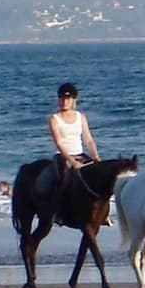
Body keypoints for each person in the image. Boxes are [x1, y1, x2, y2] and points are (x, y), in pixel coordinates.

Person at [49, 82, 101, 223]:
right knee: (64, 179)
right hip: (63, 156)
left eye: (68, 99)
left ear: (74, 100)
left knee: (98, 177)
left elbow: (88, 139)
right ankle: (59, 213)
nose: (64, 102)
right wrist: (72, 161)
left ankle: (101, 213)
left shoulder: (80, 117)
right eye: (62, 98)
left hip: (80, 154)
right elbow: (59, 143)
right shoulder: (55, 119)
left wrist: (95, 156)